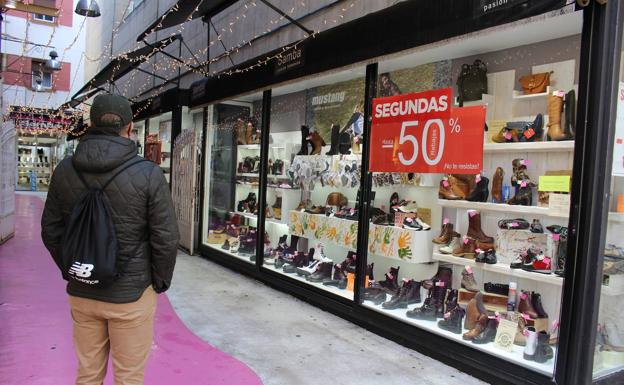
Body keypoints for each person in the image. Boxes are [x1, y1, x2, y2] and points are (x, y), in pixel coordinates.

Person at [41, 93, 179, 385]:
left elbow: (50, 230)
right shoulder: (149, 173)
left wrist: (75, 268)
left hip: (82, 292)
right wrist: (157, 282)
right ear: (130, 128)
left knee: (88, 374)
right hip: (131, 295)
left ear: (90, 124)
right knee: (129, 377)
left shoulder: (64, 170)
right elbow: (165, 238)